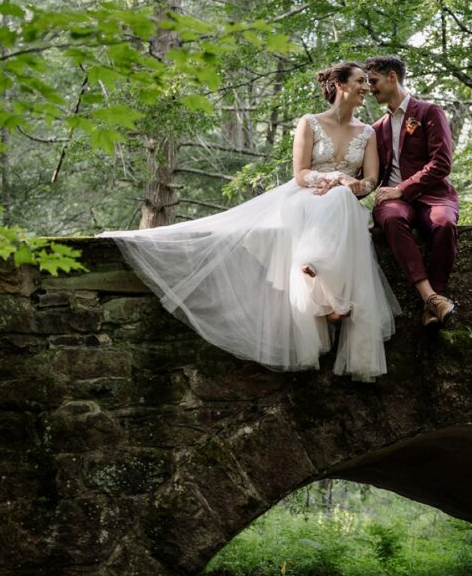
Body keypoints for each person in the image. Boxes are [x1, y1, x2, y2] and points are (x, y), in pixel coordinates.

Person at [100, 62, 399, 381]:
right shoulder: (309, 123)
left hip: (343, 204)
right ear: (340, 85)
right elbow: (300, 174)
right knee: (331, 200)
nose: (367, 87)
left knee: (340, 199)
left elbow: (369, 181)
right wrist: (333, 177)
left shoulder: (368, 132)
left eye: (368, 82)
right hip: (306, 199)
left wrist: (352, 185)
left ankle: (321, 283)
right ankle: (327, 292)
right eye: (359, 81)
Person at [365, 55, 459, 328]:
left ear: (392, 77)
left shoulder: (429, 112)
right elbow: (367, 173)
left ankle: (434, 302)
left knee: (444, 223)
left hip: (434, 196)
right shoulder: (376, 129)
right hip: (393, 202)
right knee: (392, 219)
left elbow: (442, 163)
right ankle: (431, 297)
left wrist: (403, 189)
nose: (371, 89)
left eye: (374, 81)